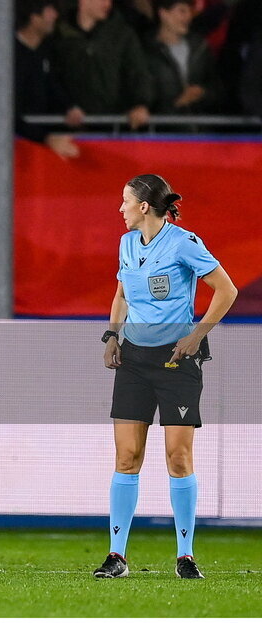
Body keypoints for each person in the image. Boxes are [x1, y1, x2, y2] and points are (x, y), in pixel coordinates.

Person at [95, 174, 237, 580]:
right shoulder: (126, 244)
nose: (119, 209)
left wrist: (197, 335)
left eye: (124, 202)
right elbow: (122, 291)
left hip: (177, 360)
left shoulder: (184, 243)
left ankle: (185, 557)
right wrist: (112, 334)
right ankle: (116, 556)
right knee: (126, 457)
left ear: (144, 207)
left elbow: (226, 290)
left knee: (178, 456)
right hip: (135, 360)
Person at [51, 0, 152, 129]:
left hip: (114, 129)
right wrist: (66, 106)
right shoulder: (59, 34)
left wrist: (141, 103)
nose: (107, 4)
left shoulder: (123, 34)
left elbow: (139, 73)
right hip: (68, 128)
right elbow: (52, 78)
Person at [14, 0, 82, 159]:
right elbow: (8, 113)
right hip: (17, 149)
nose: (55, 15)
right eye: (50, 10)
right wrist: (46, 138)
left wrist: (69, 107)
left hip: (37, 144)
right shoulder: (8, 54)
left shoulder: (47, 50)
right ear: (34, 17)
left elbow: (52, 84)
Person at [144, 0, 222, 115]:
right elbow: (142, 94)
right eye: (182, 11)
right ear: (163, 13)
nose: (188, 16)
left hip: (201, 129)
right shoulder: (146, 51)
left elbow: (217, 88)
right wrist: (175, 105)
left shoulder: (200, 47)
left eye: (189, 11)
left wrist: (203, 93)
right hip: (164, 129)